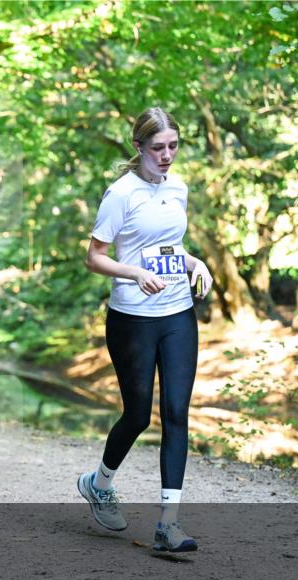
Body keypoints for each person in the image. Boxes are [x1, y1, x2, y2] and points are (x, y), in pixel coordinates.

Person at [78, 108, 214, 553]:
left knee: (176, 413)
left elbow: (170, 246)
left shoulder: (178, 188)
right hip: (133, 316)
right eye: (158, 148)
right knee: (137, 415)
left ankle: (168, 524)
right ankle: (99, 484)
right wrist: (135, 273)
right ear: (139, 147)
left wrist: (195, 263)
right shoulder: (121, 194)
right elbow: (95, 257)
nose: (167, 155)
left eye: (173, 146)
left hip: (177, 312)